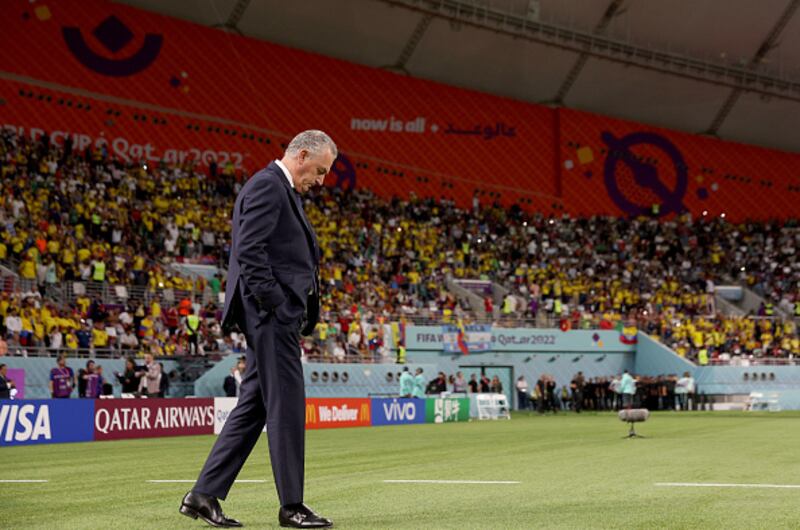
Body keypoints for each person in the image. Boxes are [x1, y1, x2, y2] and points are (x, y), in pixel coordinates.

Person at [184, 131, 336, 529]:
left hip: (271, 316)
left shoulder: (275, 188)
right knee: (286, 405)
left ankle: (204, 494)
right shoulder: (269, 186)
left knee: (254, 406)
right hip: (270, 317)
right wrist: (278, 304)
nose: (320, 180)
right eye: (319, 170)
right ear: (301, 155)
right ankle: (292, 507)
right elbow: (248, 250)